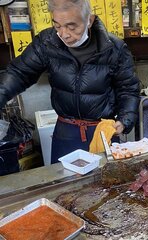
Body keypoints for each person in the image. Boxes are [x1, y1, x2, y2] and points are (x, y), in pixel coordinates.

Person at [0, 0, 140, 164]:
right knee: (63, 183)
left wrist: (124, 120)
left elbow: (128, 89)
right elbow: (19, 72)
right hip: (65, 131)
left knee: (106, 184)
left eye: (72, 27)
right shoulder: (47, 42)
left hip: (102, 131)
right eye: (58, 26)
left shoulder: (114, 48)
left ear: (89, 20)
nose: (64, 34)